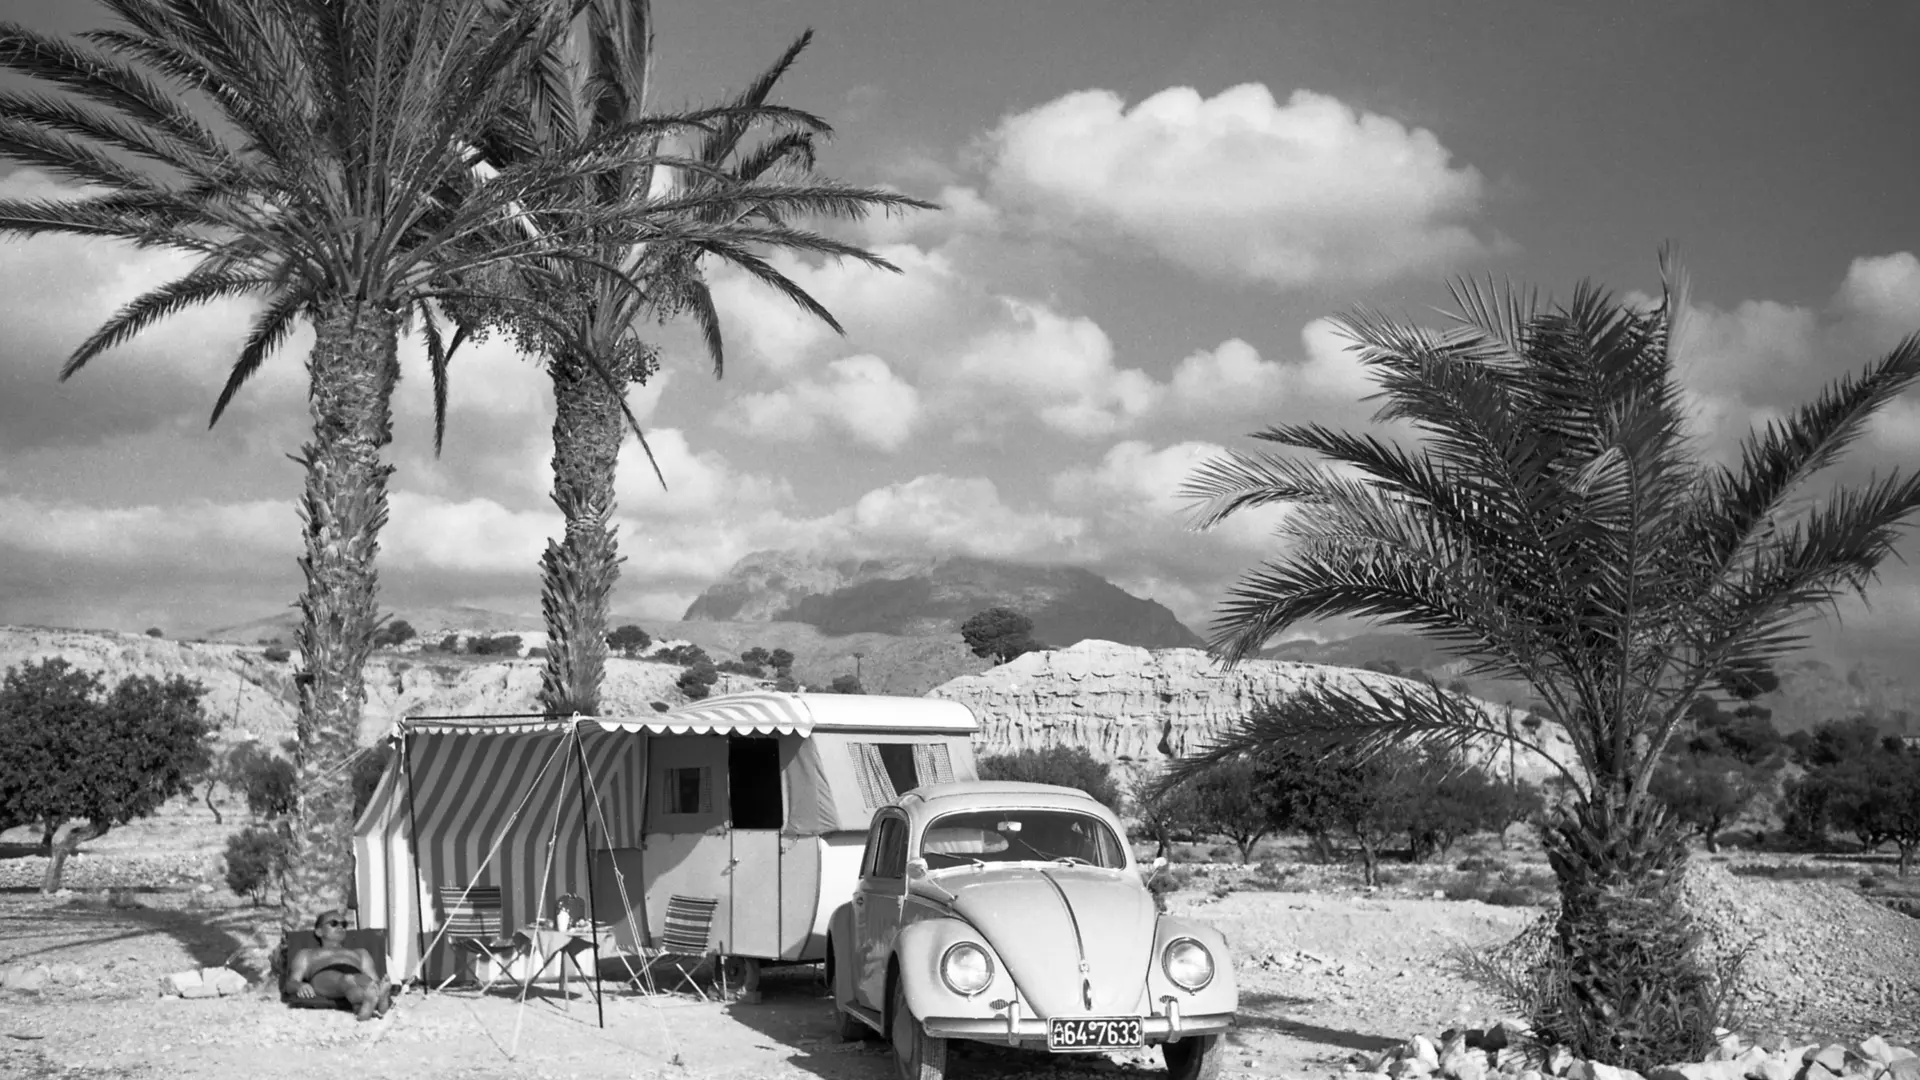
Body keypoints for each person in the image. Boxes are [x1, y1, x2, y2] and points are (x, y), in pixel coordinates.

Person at [283, 910, 390, 1021]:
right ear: (319, 932)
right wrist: (300, 986)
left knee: (365, 983)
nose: (340, 927)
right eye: (334, 924)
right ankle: (377, 1000)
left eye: (343, 925)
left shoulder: (361, 953)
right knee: (346, 979)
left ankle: (365, 1005)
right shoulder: (307, 954)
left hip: (354, 976)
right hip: (324, 975)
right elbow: (290, 983)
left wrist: (378, 984)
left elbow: (374, 979)